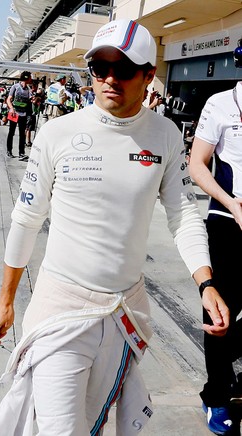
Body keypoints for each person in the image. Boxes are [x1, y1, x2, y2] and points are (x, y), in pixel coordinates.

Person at [0, 19, 229, 436]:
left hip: (124, 312)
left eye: (125, 68)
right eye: (100, 68)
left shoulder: (166, 135)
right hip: (59, 308)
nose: (110, 79)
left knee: (92, 426)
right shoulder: (58, 132)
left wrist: (206, 284)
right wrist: (5, 300)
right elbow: (26, 219)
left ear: (149, 75)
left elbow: (183, 214)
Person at [188, 39, 242, 436]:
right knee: (220, 314)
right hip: (227, 221)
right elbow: (197, 165)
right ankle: (218, 395)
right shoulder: (221, 104)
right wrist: (232, 203)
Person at [5, 71, 33, 160]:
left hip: (23, 114)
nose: (31, 79)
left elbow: (30, 100)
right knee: (11, 132)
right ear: (26, 78)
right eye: (30, 77)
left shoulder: (28, 89)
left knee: (22, 134)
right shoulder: (15, 87)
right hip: (14, 113)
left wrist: (34, 99)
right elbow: (8, 99)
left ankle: (21, 153)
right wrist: (11, 108)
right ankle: (9, 150)